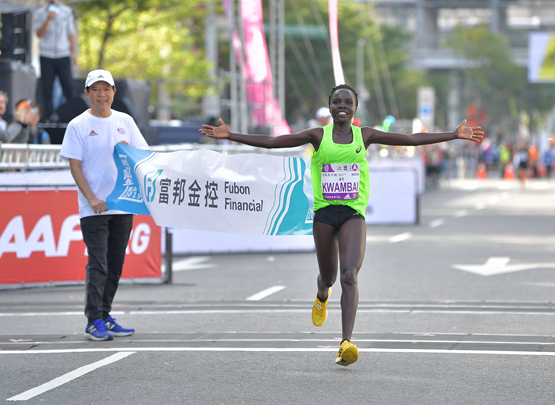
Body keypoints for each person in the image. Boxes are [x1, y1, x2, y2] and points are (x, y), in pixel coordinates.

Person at [199, 84, 485, 365]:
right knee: (329, 277)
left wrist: (454, 135)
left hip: (352, 215)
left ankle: (346, 342)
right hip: (324, 215)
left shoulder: (366, 136)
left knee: (350, 275)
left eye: (348, 102)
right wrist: (231, 135)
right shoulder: (317, 136)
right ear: (330, 106)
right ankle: (322, 295)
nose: (342, 107)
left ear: (355, 108)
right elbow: (274, 142)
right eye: (337, 102)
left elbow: (409, 140)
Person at [60, 69, 149, 341]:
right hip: (94, 208)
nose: (102, 94)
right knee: (98, 264)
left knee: (115, 263)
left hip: (122, 204)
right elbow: (75, 167)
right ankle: (93, 320)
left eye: (106, 89)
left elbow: (142, 156)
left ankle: (106, 315)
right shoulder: (78, 125)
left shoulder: (125, 121)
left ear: (114, 92)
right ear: (87, 93)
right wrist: (91, 199)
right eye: (95, 90)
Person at [33, 0, 78, 122]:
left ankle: (72, 116)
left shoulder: (66, 12)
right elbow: (39, 34)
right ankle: (49, 117)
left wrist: (74, 53)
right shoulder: (40, 13)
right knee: (47, 88)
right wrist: (48, 19)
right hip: (46, 55)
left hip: (63, 54)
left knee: (68, 86)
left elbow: (71, 33)